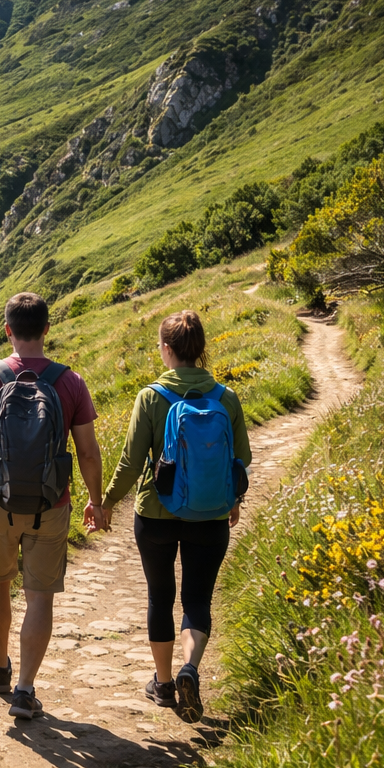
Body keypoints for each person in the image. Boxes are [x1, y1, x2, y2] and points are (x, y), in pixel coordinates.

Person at [0, 292, 104, 720]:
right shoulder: (69, 382)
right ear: (47, 329)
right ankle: (24, 689)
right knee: (39, 598)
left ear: (8, 331)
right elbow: (88, 453)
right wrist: (96, 500)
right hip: (51, 505)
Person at [99, 309, 251, 723]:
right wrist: (234, 498)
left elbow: (131, 462)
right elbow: (243, 459)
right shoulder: (226, 398)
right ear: (201, 350)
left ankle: (164, 684)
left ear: (166, 350)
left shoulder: (151, 397)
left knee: (160, 596)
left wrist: (107, 502)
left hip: (157, 513)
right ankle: (190, 668)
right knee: (197, 598)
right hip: (212, 515)